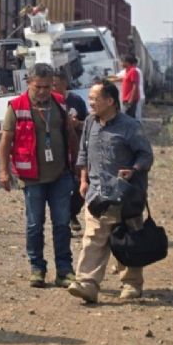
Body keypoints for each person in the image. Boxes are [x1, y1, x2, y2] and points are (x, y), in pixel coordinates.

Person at [67, 80, 154, 304]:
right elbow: (84, 153)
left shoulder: (130, 126)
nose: (90, 102)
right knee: (93, 238)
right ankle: (87, 283)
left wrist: (133, 170)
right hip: (97, 194)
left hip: (125, 195)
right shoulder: (89, 122)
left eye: (95, 98)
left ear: (110, 101)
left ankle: (132, 284)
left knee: (127, 239)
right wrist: (83, 180)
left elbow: (145, 155)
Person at [0, 63, 78, 288]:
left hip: (60, 175)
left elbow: (70, 134)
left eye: (47, 86)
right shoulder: (16, 107)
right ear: (29, 83)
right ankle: (37, 268)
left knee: (62, 223)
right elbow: (6, 141)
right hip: (32, 178)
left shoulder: (59, 103)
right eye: (39, 87)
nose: (43, 91)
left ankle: (64, 269)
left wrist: (79, 165)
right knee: (35, 225)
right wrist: (4, 171)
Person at [53, 70, 89, 233]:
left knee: (80, 184)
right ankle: (62, 222)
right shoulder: (49, 102)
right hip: (57, 151)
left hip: (76, 150)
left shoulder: (76, 101)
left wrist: (77, 124)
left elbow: (88, 124)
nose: (52, 88)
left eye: (55, 84)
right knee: (61, 186)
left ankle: (72, 213)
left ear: (64, 84)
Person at [117, 54, 141, 119]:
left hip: (130, 100)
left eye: (122, 62)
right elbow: (125, 80)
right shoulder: (128, 71)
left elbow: (135, 86)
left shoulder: (133, 71)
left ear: (127, 62)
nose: (121, 63)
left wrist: (130, 100)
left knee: (129, 118)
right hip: (126, 99)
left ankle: (132, 129)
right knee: (127, 117)